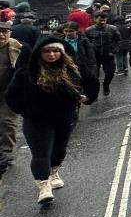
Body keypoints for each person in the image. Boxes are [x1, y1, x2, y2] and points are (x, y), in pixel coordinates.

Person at [4, 37, 87, 205]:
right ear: (39, 53)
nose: (51, 54)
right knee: (41, 153)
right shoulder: (27, 71)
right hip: (37, 120)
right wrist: (26, 111)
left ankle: (54, 171)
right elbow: (11, 95)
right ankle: (43, 185)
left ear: (62, 53)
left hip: (65, 118)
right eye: (47, 51)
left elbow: (90, 81)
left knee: (59, 149)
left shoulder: (72, 69)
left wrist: (86, 97)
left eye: (56, 51)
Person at [0, 21, 31, 179]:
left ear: (10, 33)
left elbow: (28, 69)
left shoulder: (19, 49)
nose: (1, 35)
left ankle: (6, 151)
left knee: (6, 121)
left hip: (8, 93)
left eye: (4, 32)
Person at [85, 12, 120, 96]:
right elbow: (85, 43)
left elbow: (118, 41)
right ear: (95, 19)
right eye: (100, 20)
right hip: (94, 56)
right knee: (94, 75)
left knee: (110, 72)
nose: (102, 22)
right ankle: (95, 91)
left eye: (104, 20)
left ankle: (106, 84)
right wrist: (88, 53)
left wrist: (114, 51)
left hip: (108, 55)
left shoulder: (113, 29)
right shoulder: (89, 30)